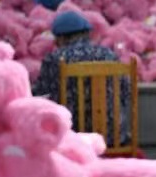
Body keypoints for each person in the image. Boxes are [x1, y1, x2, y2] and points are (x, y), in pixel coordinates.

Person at [33, 10, 131, 146]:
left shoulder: (55, 59)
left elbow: (42, 97)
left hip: (74, 138)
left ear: (61, 38)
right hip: (114, 138)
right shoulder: (110, 55)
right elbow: (126, 93)